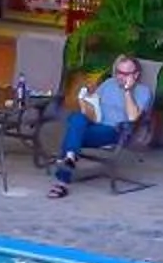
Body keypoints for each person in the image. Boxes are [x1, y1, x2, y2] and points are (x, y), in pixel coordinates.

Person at [49, 55, 150, 197]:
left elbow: (133, 117)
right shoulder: (109, 83)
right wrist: (85, 102)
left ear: (136, 75)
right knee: (77, 118)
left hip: (116, 131)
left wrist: (127, 91)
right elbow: (94, 104)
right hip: (95, 125)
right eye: (119, 72)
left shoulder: (143, 92)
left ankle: (62, 182)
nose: (121, 77)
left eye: (126, 74)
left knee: (72, 134)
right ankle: (70, 157)